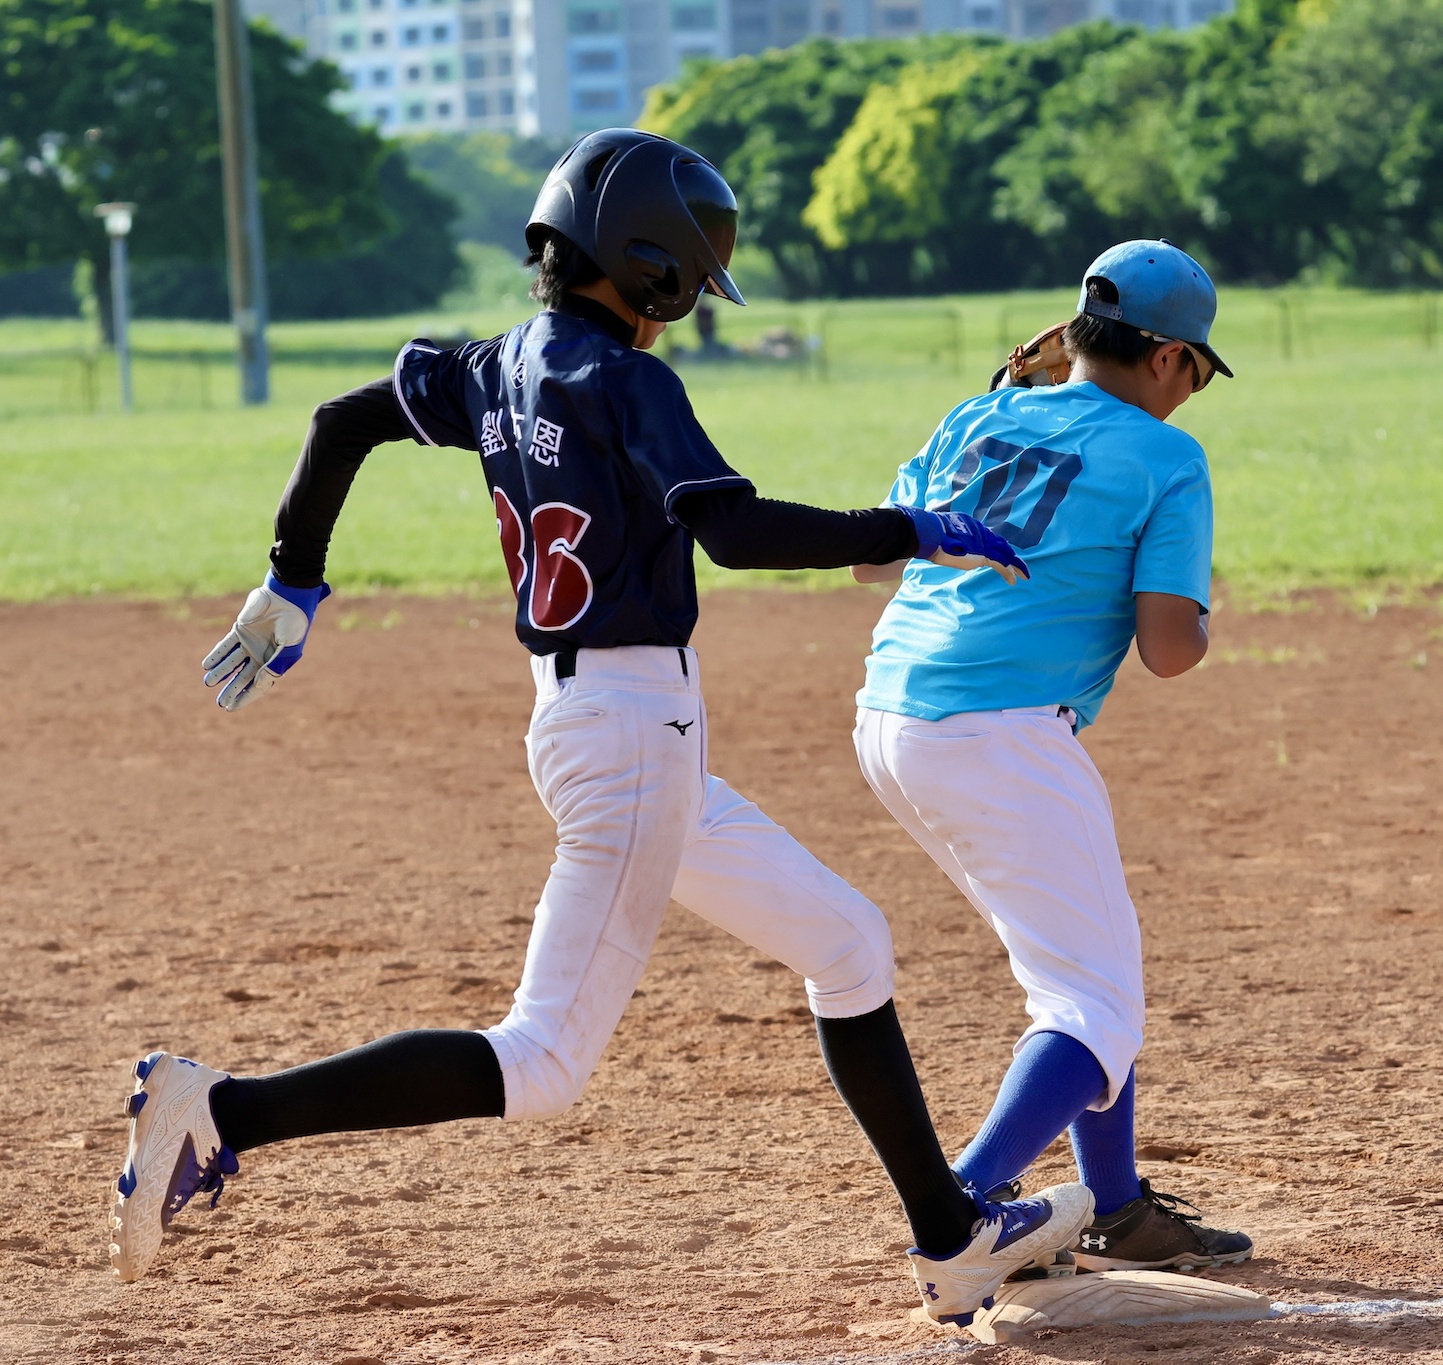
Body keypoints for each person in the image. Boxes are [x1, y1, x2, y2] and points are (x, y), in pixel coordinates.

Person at [108, 129, 1090, 1324]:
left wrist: (289, 581)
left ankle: (950, 1237)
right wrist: (908, 529)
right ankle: (221, 1110)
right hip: (629, 737)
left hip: (606, 731)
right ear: (652, 268)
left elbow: (340, 420)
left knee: (848, 945)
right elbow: (733, 532)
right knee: (541, 1060)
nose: (685, 310)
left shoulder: (498, 364)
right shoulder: (624, 380)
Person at [849, 240, 1253, 1274]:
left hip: (891, 717)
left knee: (1086, 965)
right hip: (997, 736)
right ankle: (962, 1214)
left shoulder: (977, 413)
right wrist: (1199, 614)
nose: (1192, 392)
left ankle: (1115, 1210)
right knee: (1094, 1003)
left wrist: (1004, 414)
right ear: (1164, 358)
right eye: (1197, 370)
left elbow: (867, 555)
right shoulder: (1167, 458)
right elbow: (1168, 652)